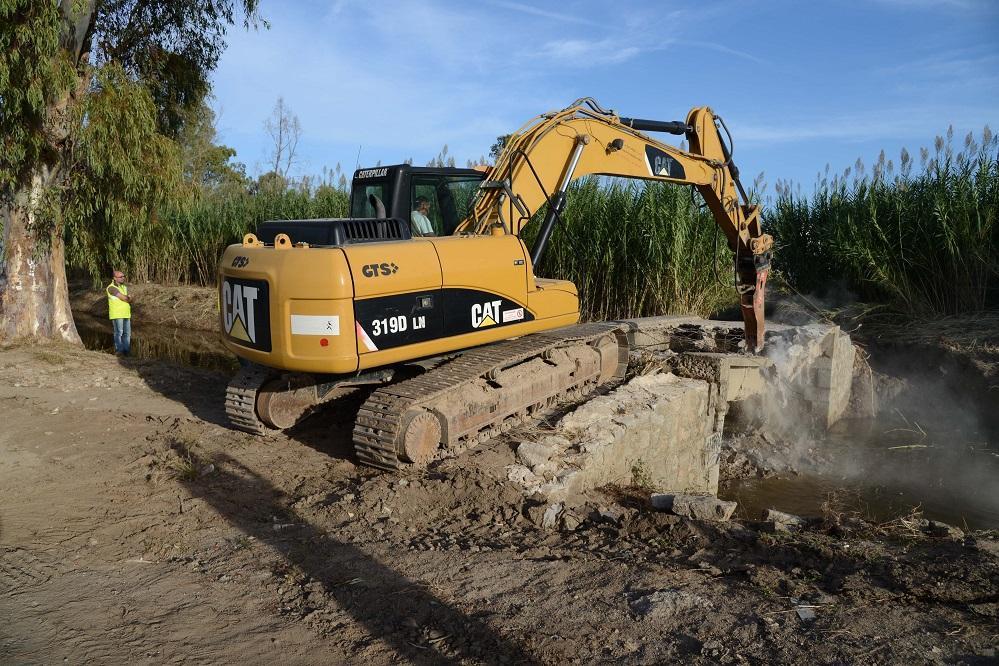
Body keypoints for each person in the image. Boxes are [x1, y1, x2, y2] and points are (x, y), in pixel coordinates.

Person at [106, 270, 132, 355]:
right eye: (120, 277)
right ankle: (119, 351)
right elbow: (125, 298)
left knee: (127, 334)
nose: (123, 278)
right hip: (117, 314)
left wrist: (128, 298)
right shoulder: (111, 288)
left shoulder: (124, 287)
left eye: (123, 276)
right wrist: (128, 298)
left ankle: (126, 351)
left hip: (126, 314)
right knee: (119, 333)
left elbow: (129, 298)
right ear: (115, 278)